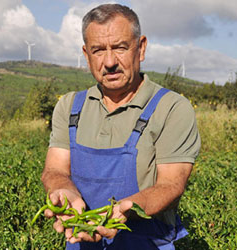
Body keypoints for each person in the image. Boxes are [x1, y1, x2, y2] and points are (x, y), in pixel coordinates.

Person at [41, 3, 201, 250]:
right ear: (86, 55)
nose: (109, 62)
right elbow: (55, 169)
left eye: (120, 48)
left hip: (148, 244)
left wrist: (124, 211)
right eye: (98, 50)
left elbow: (171, 185)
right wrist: (62, 190)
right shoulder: (71, 107)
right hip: (81, 240)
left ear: (141, 47)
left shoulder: (171, 108)